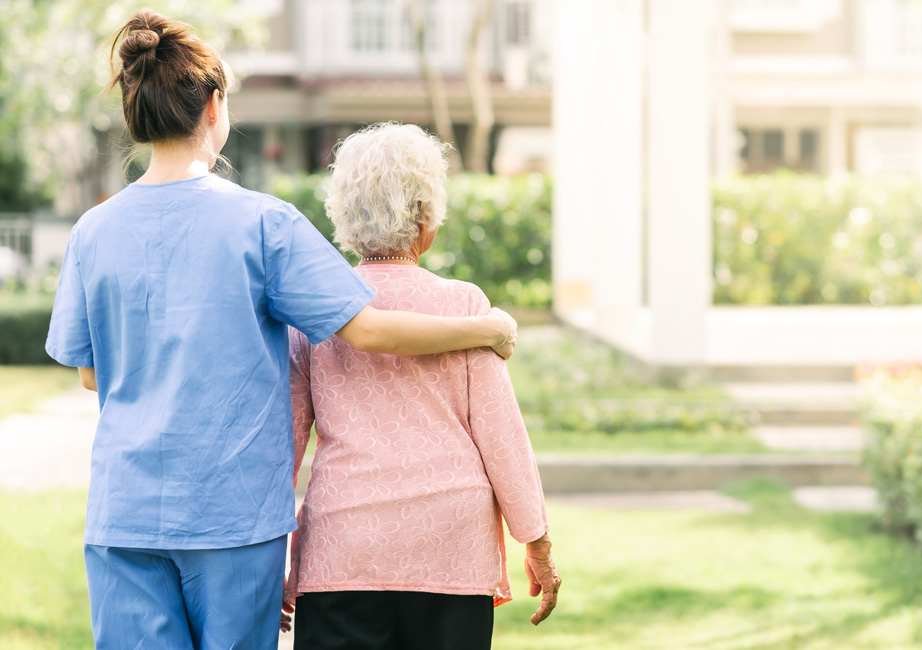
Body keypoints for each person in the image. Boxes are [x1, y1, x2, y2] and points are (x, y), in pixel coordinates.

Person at [44, 11, 517, 650]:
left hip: (124, 515)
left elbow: (90, 373)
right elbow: (370, 331)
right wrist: (480, 329)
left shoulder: (91, 232)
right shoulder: (263, 225)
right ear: (214, 107)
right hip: (233, 519)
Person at [282, 123, 561, 650]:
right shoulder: (465, 307)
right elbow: (503, 439)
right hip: (451, 545)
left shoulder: (315, 314)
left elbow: (284, 446)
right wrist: (538, 545)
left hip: (345, 548)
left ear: (343, 215)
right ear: (426, 220)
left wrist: (271, 555)